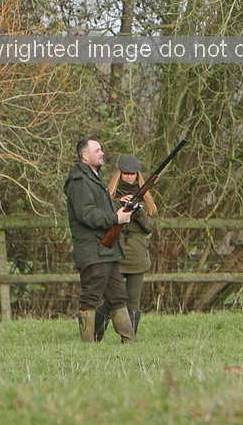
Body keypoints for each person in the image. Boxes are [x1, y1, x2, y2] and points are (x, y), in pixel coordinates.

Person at [64, 137, 137, 343]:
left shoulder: (94, 178)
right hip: (93, 249)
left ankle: (129, 341)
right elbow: (86, 214)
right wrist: (116, 218)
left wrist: (121, 211)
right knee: (91, 297)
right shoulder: (79, 181)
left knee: (118, 296)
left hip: (105, 248)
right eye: (97, 150)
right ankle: (88, 344)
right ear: (85, 156)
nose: (102, 153)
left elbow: (99, 211)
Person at [95, 153, 157, 341]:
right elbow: (102, 220)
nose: (129, 177)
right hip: (115, 252)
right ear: (120, 174)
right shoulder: (109, 197)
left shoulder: (146, 200)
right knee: (113, 297)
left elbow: (150, 227)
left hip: (137, 255)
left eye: (133, 173)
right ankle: (95, 334)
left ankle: (129, 339)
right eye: (126, 173)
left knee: (133, 299)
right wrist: (119, 206)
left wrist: (137, 210)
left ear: (138, 175)